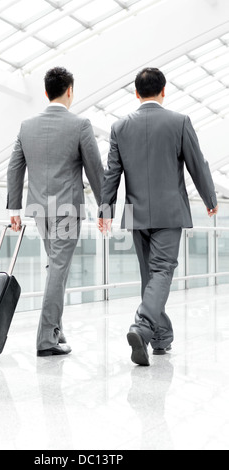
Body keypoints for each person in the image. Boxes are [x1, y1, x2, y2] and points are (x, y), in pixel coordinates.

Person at [98, 68, 218, 367]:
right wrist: (209, 199)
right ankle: (141, 326)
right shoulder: (179, 122)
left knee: (150, 276)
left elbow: (112, 172)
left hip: (136, 213)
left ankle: (160, 338)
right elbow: (197, 164)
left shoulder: (120, 127)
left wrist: (105, 210)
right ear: (163, 90)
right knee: (162, 272)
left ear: (136, 93)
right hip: (169, 212)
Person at [7, 67, 103, 357]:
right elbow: (95, 170)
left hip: (39, 209)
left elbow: (14, 167)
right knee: (58, 270)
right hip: (67, 209)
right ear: (69, 91)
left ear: (46, 92)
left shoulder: (27, 126)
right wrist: (105, 207)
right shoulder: (80, 125)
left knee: (55, 268)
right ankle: (46, 340)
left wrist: (14, 207)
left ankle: (56, 332)